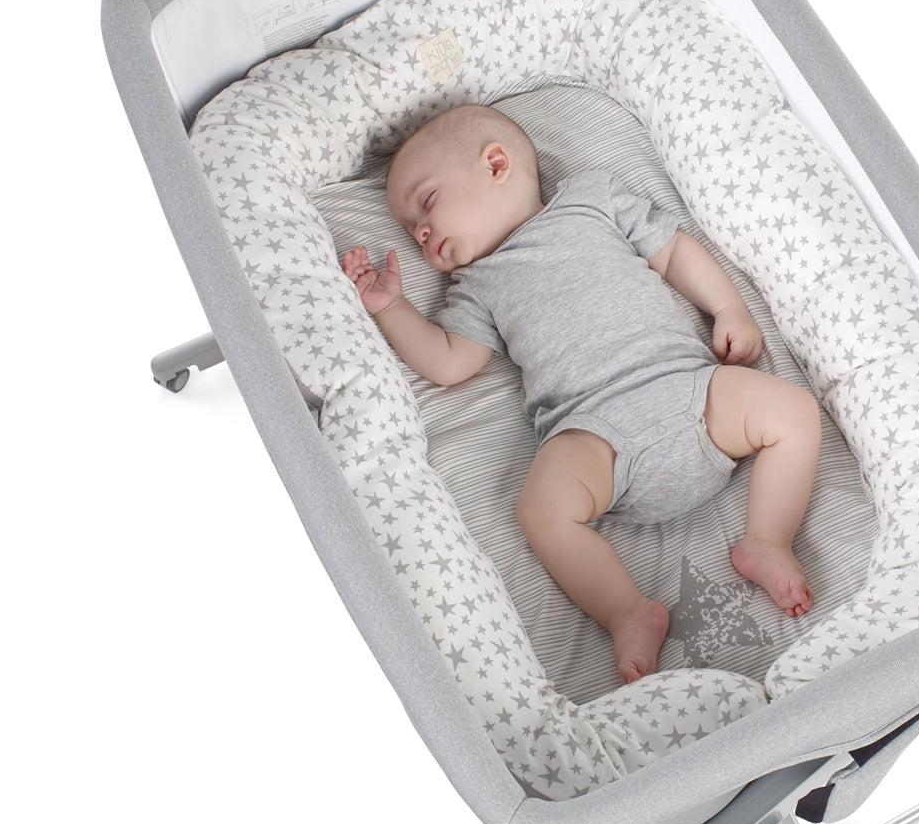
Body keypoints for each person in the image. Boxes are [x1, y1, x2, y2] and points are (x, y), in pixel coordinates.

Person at [341, 104, 821, 685]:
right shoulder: (476, 285)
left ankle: (767, 539)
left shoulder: (591, 199)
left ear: (496, 164)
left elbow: (673, 250)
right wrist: (391, 308)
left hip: (688, 388)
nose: (419, 233)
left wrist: (729, 308)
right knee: (539, 510)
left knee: (793, 410)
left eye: (427, 203)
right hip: (593, 435)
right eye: (409, 229)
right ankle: (626, 611)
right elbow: (448, 362)